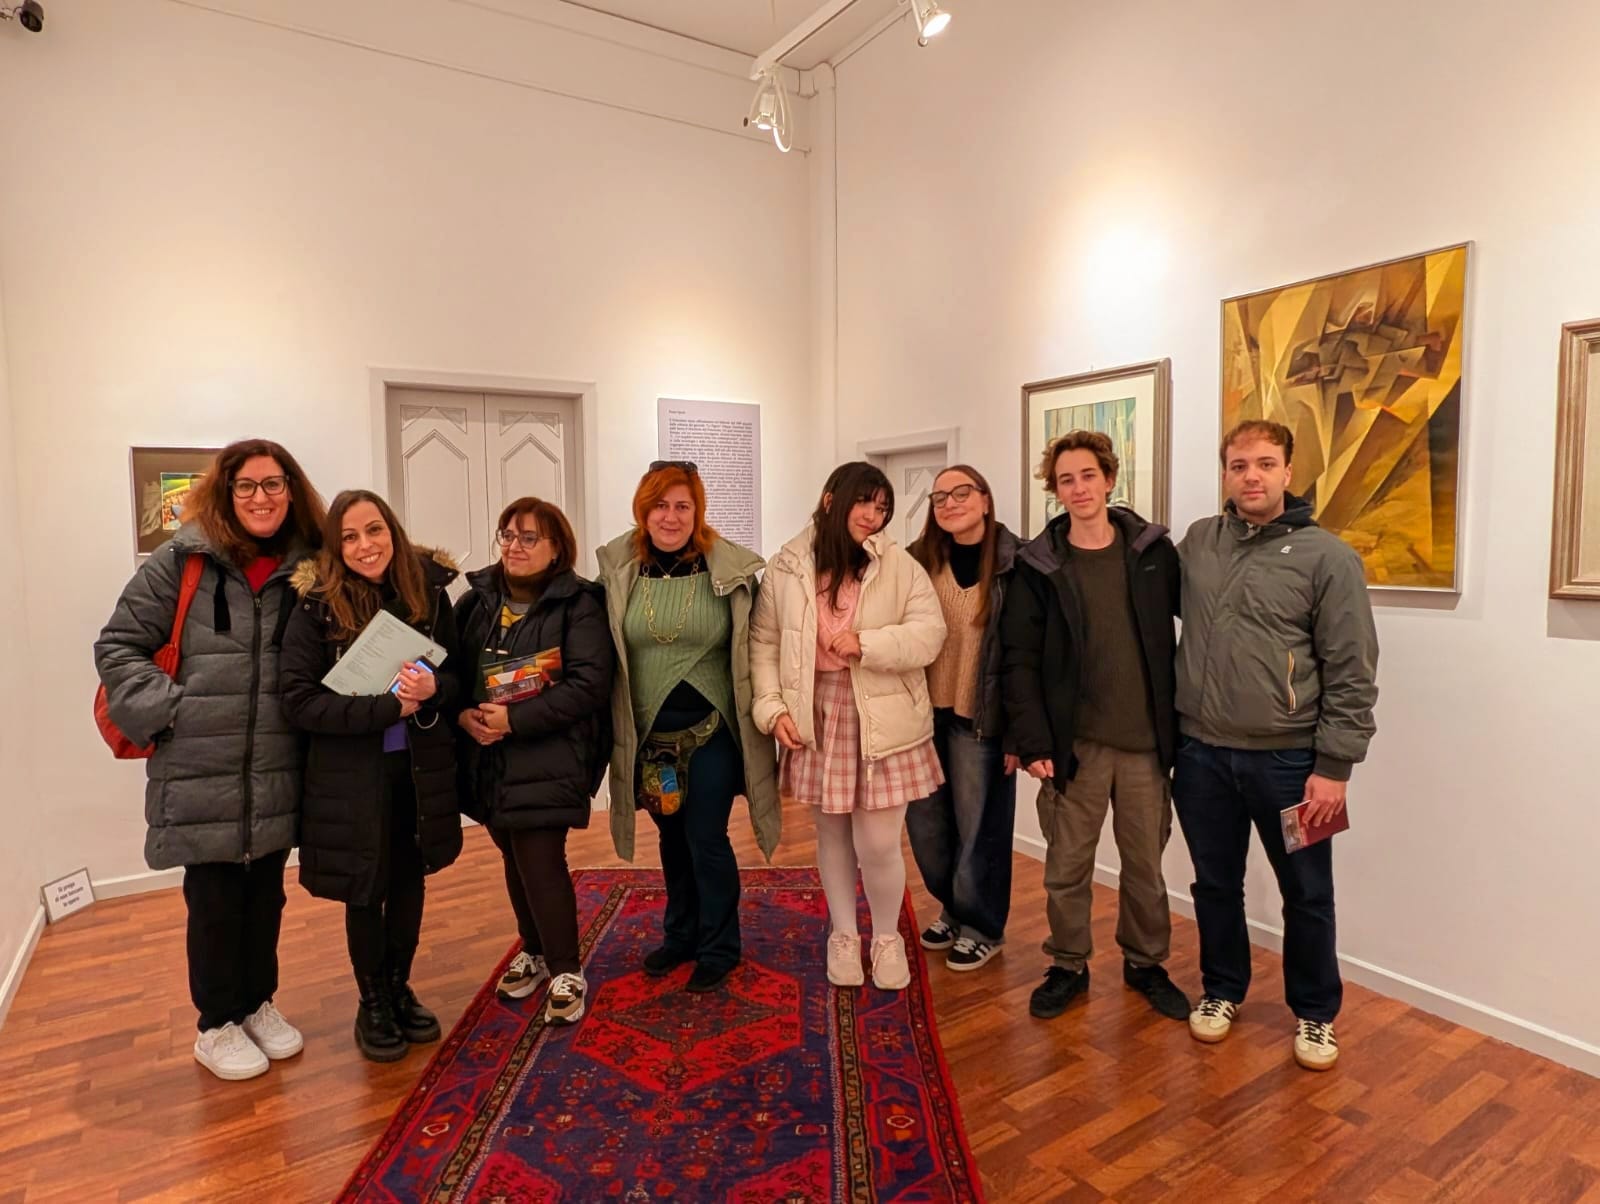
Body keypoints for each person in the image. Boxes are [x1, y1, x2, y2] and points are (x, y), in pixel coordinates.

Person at [95, 438, 326, 1082]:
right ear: (226, 493)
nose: (261, 497)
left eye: (273, 484)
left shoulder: (309, 567)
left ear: (291, 491)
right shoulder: (180, 561)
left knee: (267, 895)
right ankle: (216, 1023)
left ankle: (257, 1003)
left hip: (277, 765)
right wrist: (173, 710)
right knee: (215, 899)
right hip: (199, 764)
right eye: (246, 485)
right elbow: (118, 645)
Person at [1174, 419, 1378, 1071]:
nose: (1252, 476)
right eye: (1239, 465)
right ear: (1226, 474)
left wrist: (1335, 768)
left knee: (1308, 892)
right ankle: (1221, 989)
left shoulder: (1329, 559)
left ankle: (1316, 1013)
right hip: (1201, 756)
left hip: (1293, 764)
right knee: (1214, 884)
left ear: (1288, 472)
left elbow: (1352, 671)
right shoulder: (1199, 542)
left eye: (1265, 463)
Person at [1000, 430, 1189, 1023]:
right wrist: (1032, 741)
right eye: (1066, 480)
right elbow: (1018, 660)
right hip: (1073, 748)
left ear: (1109, 479)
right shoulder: (1038, 566)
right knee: (1067, 869)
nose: (1078, 488)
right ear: (1054, 491)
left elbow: (1203, 626)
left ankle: (1145, 962)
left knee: (1145, 869)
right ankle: (1067, 964)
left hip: (1145, 747)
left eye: (1088, 475)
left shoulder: (1154, 554)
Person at [279, 490, 465, 1063]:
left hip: (419, 770)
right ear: (335, 547)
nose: (365, 546)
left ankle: (400, 987)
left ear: (393, 531)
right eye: (350, 537)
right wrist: (387, 709)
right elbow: (299, 702)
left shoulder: (429, 592)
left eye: (375, 530)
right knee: (366, 889)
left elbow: (460, 677)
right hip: (352, 779)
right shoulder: (314, 605)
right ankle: (373, 1002)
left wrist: (435, 688)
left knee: (410, 882)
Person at [751, 462, 947, 991]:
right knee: (832, 834)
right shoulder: (788, 565)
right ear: (830, 499)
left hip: (885, 713)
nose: (873, 516)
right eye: (865, 502)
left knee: (879, 842)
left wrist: (869, 644)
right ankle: (842, 934)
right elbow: (765, 643)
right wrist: (772, 708)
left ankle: (886, 937)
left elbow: (930, 633)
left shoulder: (898, 564)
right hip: (817, 710)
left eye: (882, 508)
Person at [596, 462, 778, 992]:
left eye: (682, 506)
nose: (670, 517)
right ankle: (680, 935)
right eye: (660, 505)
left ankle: (719, 945)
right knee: (672, 839)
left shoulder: (729, 571)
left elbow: (760, 644)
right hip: (650, 738)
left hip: (712, 732)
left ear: (697, 511)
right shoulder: (621, 571)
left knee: (706, 837)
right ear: (643, 510)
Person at [455, 496, 614, 1026]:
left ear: (556, 548)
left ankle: (567, 969)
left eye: (528, 538)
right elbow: (452, 672)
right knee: (513, 856)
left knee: (541, 859)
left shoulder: (579, 604)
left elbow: (589, 685)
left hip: (550, 756)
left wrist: (515, 721)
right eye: (507, 535)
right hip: (488, 758)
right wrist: (462, 715)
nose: (514, 547)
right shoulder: (476, 601)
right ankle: (535, 950)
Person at [905, 465, 1021, 972]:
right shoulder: (917, 561)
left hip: (981, 718)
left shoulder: (1016, 563)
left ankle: (982, 926)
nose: (950, 504)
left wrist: (1019, 732)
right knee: (927, 827)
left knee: (980, 830)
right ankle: (953, 907)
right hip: (921, 716)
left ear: (985, 499)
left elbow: (1024, 655)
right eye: (939, 498)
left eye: (961, 493)